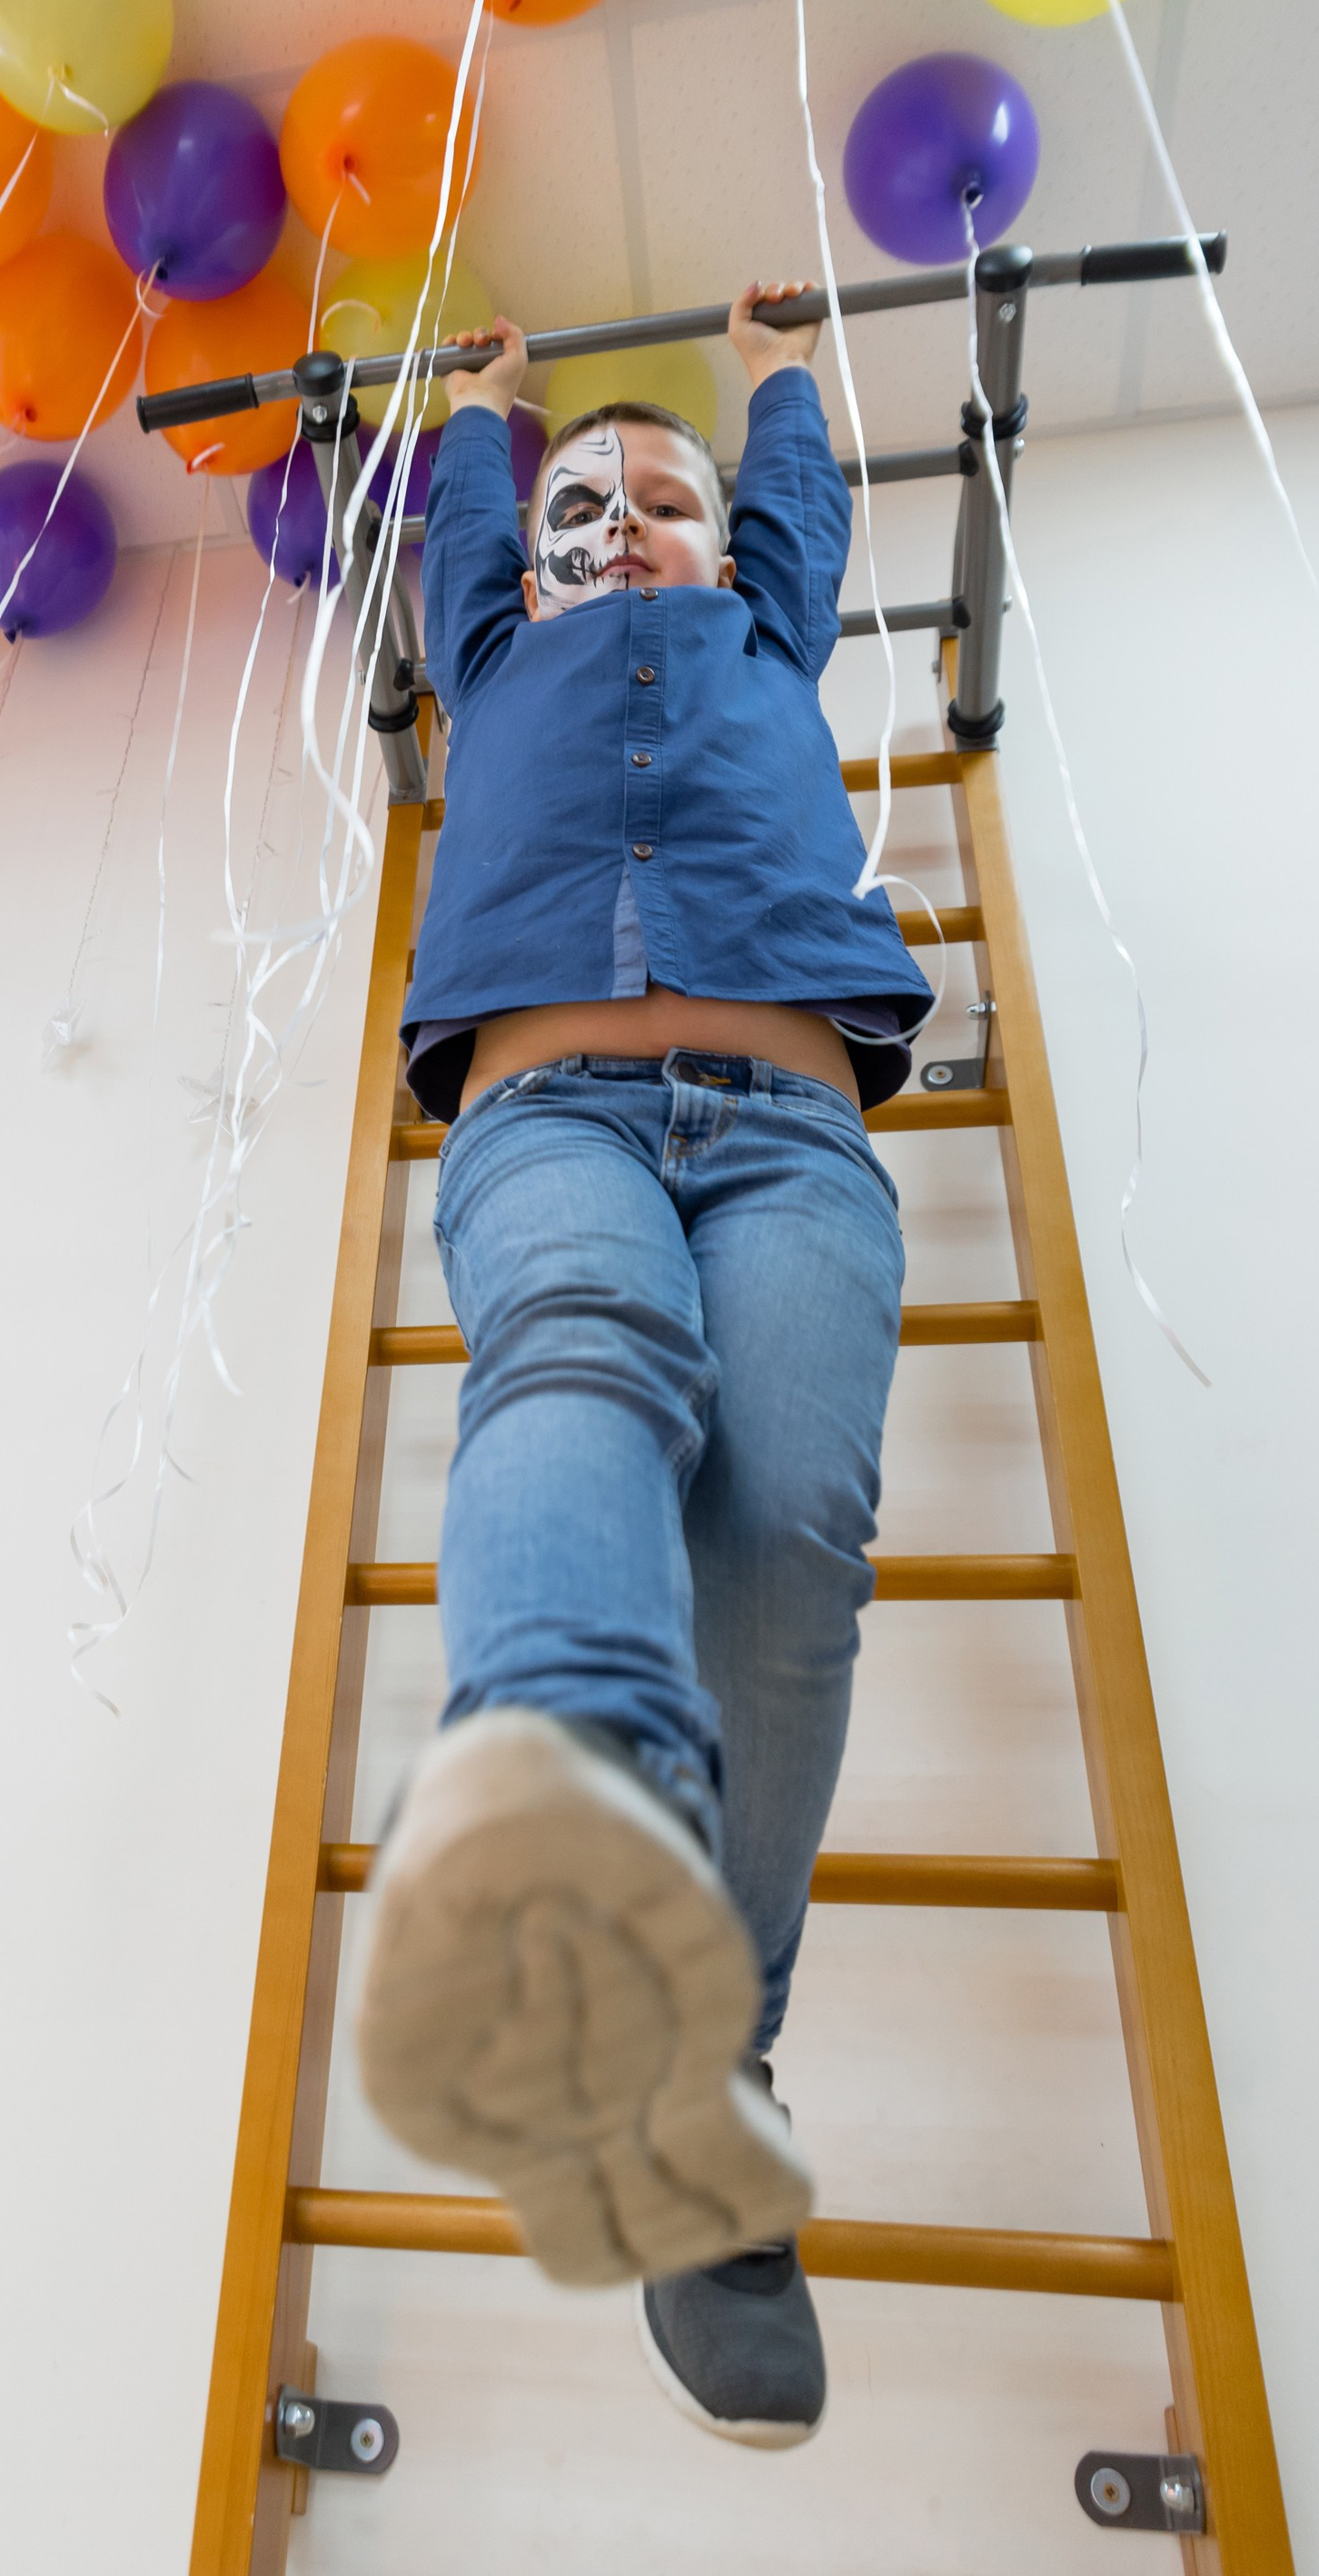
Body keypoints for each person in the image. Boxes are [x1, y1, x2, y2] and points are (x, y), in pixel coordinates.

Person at [355, 286, 934, 2449]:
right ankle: (557, 1804)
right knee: (578, 1350)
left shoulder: (763, 631)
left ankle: (708, 2078)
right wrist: (493, 414)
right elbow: (464, 530)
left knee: (787, 1540)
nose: (622, 529)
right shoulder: (493, 649)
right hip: (554, 1118)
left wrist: (778, 375)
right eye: (580, 508)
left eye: (662, 504)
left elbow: (791, 513)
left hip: (792, 1138)